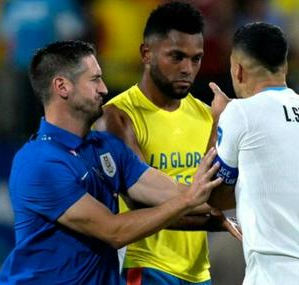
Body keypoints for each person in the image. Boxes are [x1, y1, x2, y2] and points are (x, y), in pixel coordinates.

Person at [0, 40, 223, 284]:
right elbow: (114, 231)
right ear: (62, 86)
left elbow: (174, 193)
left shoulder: (107, 147)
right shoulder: (39, 163)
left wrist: (238, 209)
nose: (104, 89)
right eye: (94, 79)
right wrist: (188, 200)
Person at [94, 2, 239, 284]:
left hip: (199, 273)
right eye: (176, 57)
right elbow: (140, 204)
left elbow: (217, 193)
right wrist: (219, 220)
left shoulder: (206, 114)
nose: (188, 68)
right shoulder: (118, 116)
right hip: (143, 268)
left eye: (196, 59)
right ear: (146, 54)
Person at [207, 22, 299, 285]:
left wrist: (218, 119)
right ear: (284, 66)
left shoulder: (241, 113)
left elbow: (212, 196)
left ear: (237, 70)